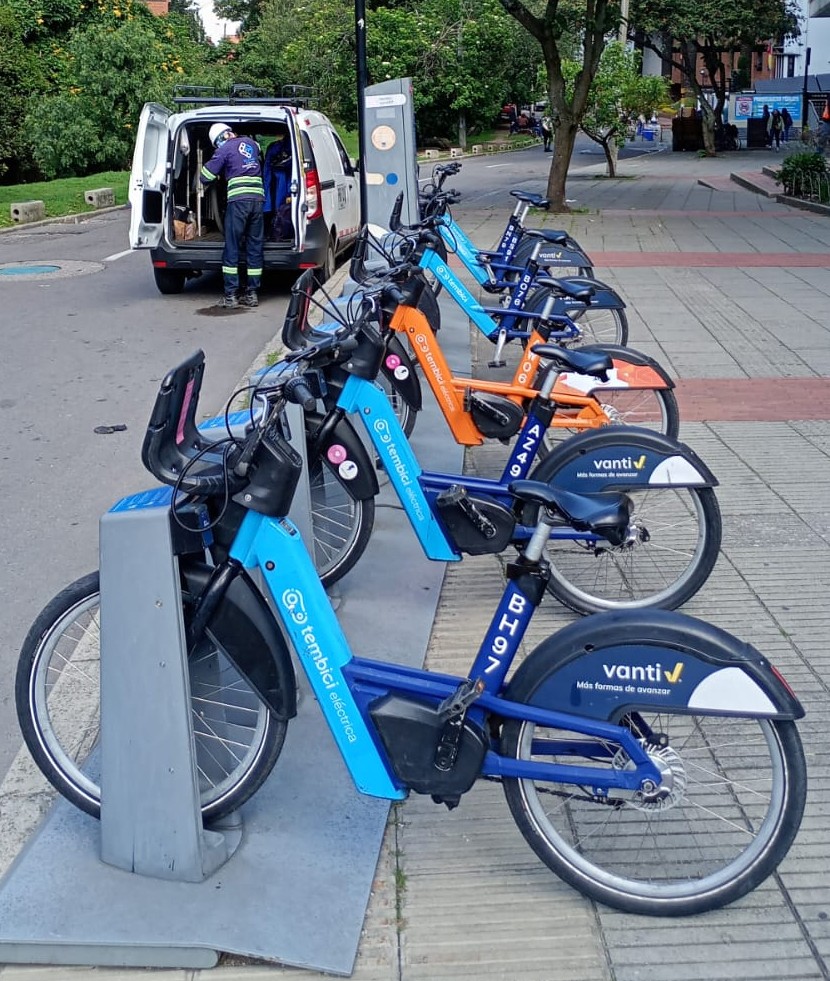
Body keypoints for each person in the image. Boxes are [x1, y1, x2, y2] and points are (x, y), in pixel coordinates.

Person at [200, 123, 265, 309]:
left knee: (232, 247)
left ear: (220, 138)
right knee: (254, 247)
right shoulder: (251, 144)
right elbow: (257, 153)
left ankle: (231, 295)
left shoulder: (224, 149)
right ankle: (252, 294)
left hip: (238, 203)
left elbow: (205, 176)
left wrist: (218, 171)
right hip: (258, 201)